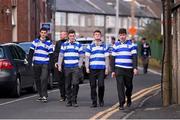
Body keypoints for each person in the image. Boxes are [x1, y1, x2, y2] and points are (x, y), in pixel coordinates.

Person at [111, 28, 138, 110]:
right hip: (119, 69)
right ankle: (121, 103)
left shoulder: (131, 45)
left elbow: (134, 57)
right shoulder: (115, 45)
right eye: (121, 35)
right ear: (119, 36)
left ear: (126, 35)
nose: (122, 36)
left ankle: (128, 97)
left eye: (123, 35)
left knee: (129, 86)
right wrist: (113, 70)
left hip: (129, 69)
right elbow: (113, 58)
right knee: (120, 86)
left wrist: (135, 68)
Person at [58, 29, 84, 107]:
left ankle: (74, 100)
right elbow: (61, 55)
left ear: (75, 36)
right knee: (67, 85)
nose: (72, 37)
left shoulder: (79, 45)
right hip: (67, 67)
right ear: (68, 36)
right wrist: (59, 65)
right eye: (70, 36)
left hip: (75, 67)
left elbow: (81, 56)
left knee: (75, 83)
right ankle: (69, 100)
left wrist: (79, 65)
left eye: (73, 36)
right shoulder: (64, 45)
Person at [28, 27, 54, 102]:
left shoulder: (49, 43)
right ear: (40, 33)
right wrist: (30, 63)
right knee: (37, 79)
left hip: (45, 63)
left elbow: (51, 55)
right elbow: (31, 52)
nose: (43, 34)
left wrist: (51, 65)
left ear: (46, 34)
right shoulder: (35, 42)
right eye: (42, 32)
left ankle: (44, 95)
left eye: (44, 33)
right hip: (36, 63)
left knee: (44, 78)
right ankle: (41, 95)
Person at [85, 30, 109, 107]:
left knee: (101, 85)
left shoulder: (105, 46)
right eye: (96, 34)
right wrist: (87, 67)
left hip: (101, 69)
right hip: (92, 69)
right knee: (93, 85)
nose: (97, 36)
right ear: (93, 36)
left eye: (98, 34)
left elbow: (107, 58)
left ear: (101, 36)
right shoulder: (90, 46)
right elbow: (87, 58)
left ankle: (101, 99)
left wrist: (107, 68)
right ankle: (94, 102)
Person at [54, 31, 67, 102]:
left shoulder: (68, 42)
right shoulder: (58, 43)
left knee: (68, 80)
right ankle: (62, 96)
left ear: (66, 35)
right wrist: (56, 61)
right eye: (61, 34)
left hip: (68, 64)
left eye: (64, 34)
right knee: (61, 80)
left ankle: (68, 94)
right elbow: (56, 52)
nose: (62, 35)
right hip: (60, 64)